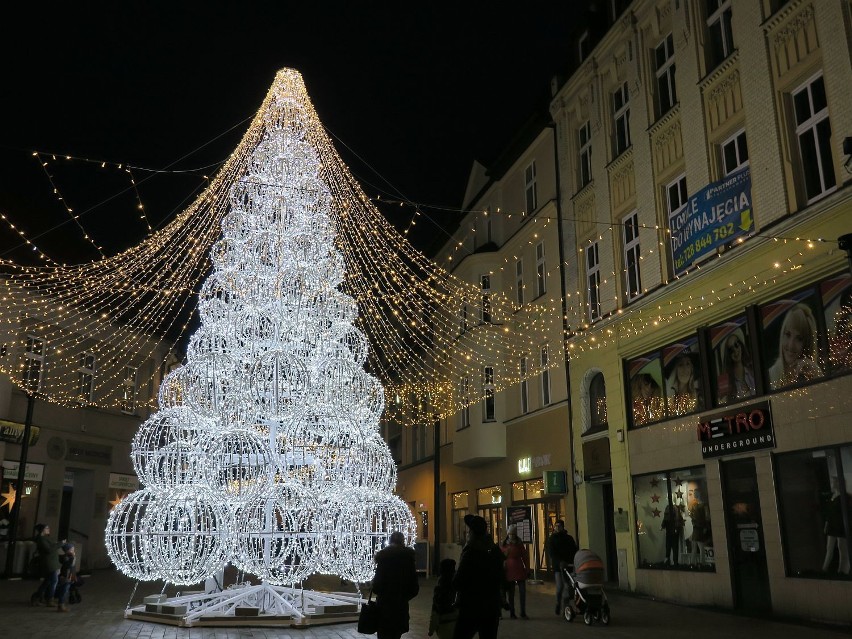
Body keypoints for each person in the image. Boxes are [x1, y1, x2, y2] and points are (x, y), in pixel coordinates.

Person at [452, 514, 503, 639]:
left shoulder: (470, 552)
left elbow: (458, 581)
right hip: (491, 606)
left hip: (471, 606)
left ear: (472, 533)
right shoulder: (494, 550)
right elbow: (501, 576)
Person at [372, 531, 419, 639]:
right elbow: (414, 587)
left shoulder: (383, 558)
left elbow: (376, 586)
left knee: (384, 634)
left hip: (384, 606)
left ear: (390, 541)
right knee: (396, 635)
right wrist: (403, 597)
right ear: (403, 541)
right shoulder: (408, 559)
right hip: (400, 607)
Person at [768, 303, 823, 389]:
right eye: (788, 334)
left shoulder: (813, 373)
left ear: (807, 344)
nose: (791, 345)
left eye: (799, 339)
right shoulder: (771, 375)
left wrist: (816, 374)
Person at [547, 519, 577, 615]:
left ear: (563, 527)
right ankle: (558, 602)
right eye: (556, 526)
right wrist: (559, 561)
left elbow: (574, 550)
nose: (557, 528)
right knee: (560, 586)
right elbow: (552, 553)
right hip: (558, 567)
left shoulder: (569, 538)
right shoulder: (552, 539)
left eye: (559, 526)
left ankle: (566, 606)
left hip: (569, 566)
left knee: (568, 587)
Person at [821, 477, 850, 575]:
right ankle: (824, 569)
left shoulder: (845, 497)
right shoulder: (832, 496)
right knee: (829, 548)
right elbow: (829, 513)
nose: (832, 484)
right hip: (832, 526)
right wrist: (826, 524)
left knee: (842, 548)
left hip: (840, 526)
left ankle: (842, 570)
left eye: (833, 482)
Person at [716, 331, 756, 403]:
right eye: (731, 350)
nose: (735, 350)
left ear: (741, 345)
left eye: (736, 345)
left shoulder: (753, 370)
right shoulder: (725, 383)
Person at [499, 524, 529, 619]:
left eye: (513, 534)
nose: (511, 535)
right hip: (509, 571)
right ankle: (512, 613)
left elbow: (525, 557)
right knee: (511, 594)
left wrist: (527, 569)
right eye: (510, 534)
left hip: (519, 570)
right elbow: (500, 557)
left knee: (522, 592)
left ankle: (522, 612)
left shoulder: (519, 544)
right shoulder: (504, 544)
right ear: (508, 534)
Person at [30, 523, 62, 607]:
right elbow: (49, 549)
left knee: (47, 582)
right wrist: (60, 544)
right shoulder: (41, 539)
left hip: (52, 562)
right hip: (49, 563)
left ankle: (37, 597)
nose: (48, 529)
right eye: (47, 528)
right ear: (42, 530)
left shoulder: (45, 538)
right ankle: (49, 599)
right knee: (54, 581)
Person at [428, 558, 458, 639]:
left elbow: (435, 610)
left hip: (444, 624)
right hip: (457, 622)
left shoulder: (440, 588)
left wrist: (431, 630)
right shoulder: (457, 584)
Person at [55, 542, 76, 612]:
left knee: (66, 589)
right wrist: (72, 557)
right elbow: (68, 566)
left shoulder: (68, 557)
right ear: (67, 550)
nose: (73, 551)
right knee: (64, 590)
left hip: (69, 576)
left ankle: (61, 603)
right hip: (66, 576)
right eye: (72, 549)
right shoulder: (66, 557)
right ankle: (61, 604)